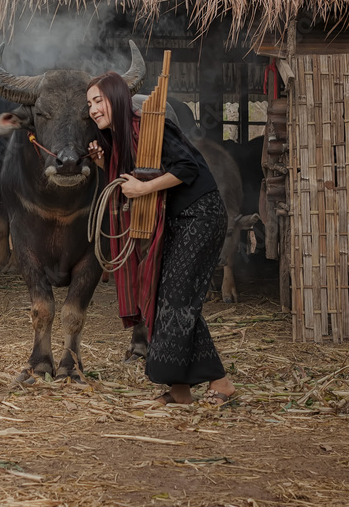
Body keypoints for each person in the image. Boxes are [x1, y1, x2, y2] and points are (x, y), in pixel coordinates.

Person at [86, 71, 236, 406]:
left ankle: (221, 384)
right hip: (173, 222)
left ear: (117, 99)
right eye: (90, 104)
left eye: (99, 100)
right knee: (167, 297)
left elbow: (187, 168)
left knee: (179, 297)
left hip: (201, 214)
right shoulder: (123, 139)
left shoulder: (153, 126)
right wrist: (103, 162)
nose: (93, 109)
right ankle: (180, 390)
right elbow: (128, 178)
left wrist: (143, 188)